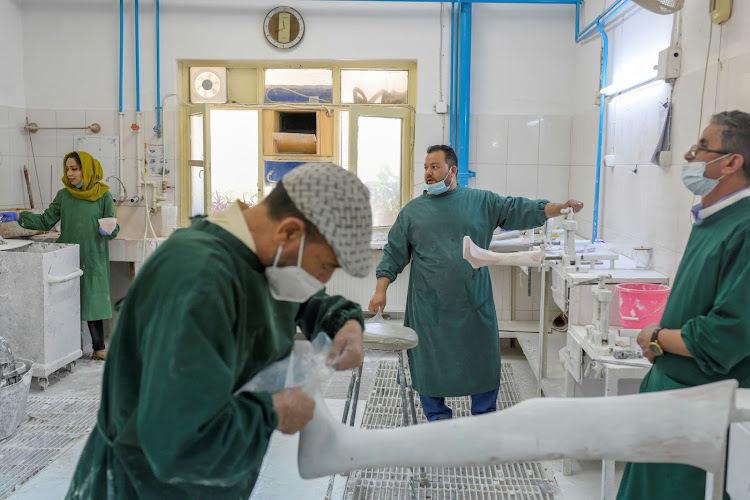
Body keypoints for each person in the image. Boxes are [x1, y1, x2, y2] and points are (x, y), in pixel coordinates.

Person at [64, 162, 372, 499]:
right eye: (327, 266)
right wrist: (273, 411)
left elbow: (307, 299)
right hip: (146, 485)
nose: (324, 280)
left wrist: (345, 322)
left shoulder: (265, 258)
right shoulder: (199, 281)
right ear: (289, 232)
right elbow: (178, 440)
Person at [368, 144, 583, 421]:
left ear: (452, 170)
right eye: (425, 167)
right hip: (428, 306)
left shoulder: (481, 202)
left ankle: (484, 417)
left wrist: (557, 208)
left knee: (480, 359)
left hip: (473, 303)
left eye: (435, 167)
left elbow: (517, 208)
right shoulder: (413, 212)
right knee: (430, 362)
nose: (429, 174)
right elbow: (393, 253)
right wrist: (380, 289)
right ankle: (437, 418)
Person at [617, 111, 750, 499]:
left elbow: (727, 335)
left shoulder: (743, 228)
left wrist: (657, 336)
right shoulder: (713, 220)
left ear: (731, 162)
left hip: (703, 409)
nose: (690, 157)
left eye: (701, 148)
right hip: (674, 396)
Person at [1, 151, 119, 360]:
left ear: (87, 169)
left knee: (94, 299)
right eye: (67, 169)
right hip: (68, 255)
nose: (70, 173)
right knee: (67, 301)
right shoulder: (64, 195)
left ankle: (99, 348)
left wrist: (109, 230)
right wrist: (19, 216)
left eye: (74, 168)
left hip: (93, 255)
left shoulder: (104, 195)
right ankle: (68, 349)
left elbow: (113, 225)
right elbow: (46, 221)